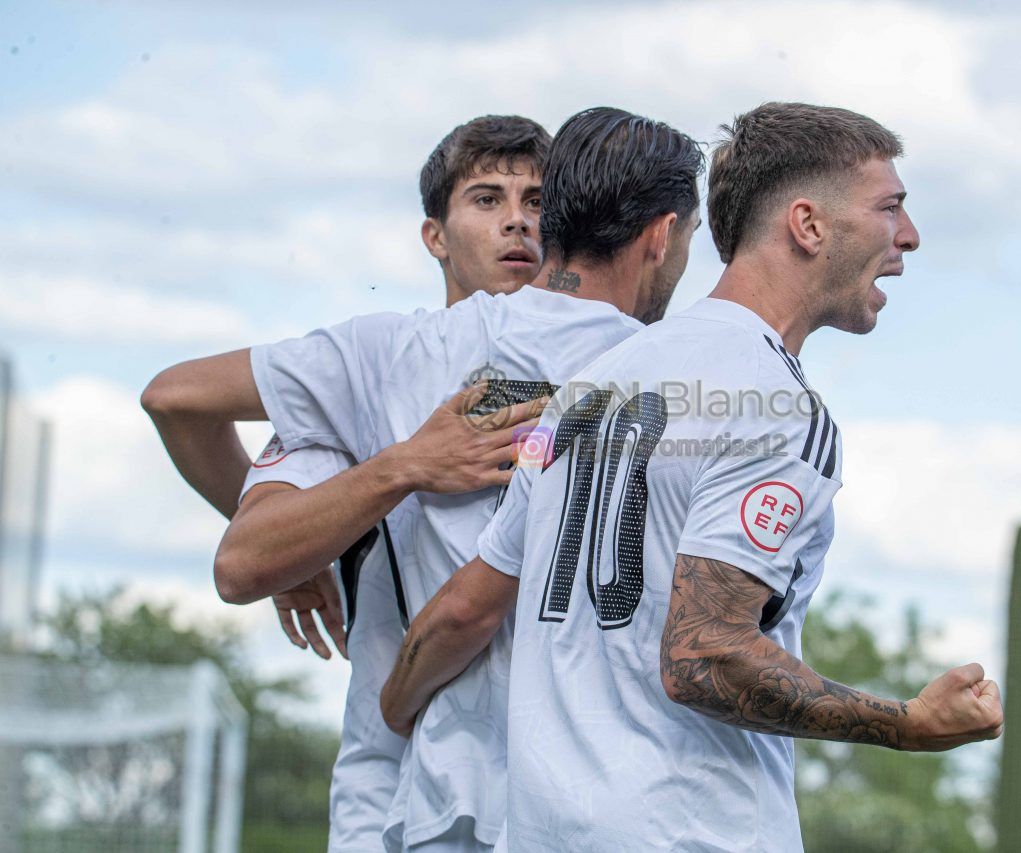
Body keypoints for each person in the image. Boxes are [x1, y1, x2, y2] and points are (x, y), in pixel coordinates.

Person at [381, 102, 1005, 851]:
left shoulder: (591, 385)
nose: (908, 235)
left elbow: (464, 608)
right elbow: (704, 655)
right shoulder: (776, 404)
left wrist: (392, 712)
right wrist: (906, 723)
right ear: (808, 226)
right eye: (890, 207)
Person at [145, 106, 704, 852]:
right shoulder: (375, 367)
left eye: (537, 201)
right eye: (487, 199)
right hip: (406, 789)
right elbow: (188, 429)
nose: (517, 221)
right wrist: (397, 472)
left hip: (559, 786)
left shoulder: (631, 361)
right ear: (434, 235)